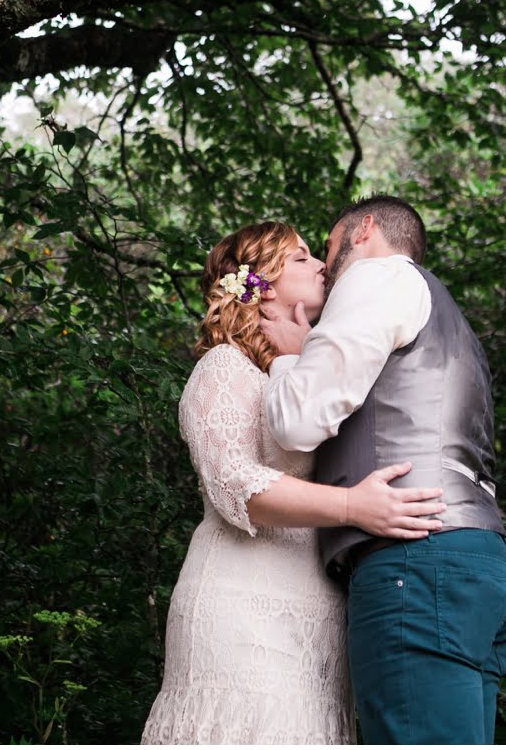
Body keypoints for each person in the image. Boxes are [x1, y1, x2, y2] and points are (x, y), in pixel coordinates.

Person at [141, 221, 448, 745]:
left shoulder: (311, 374)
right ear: (259, 280)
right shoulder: (223, 367)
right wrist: (353, 506)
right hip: (239, 605)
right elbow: (237, 484)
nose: (322, 265)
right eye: (302, 257)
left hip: (321, 613)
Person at [261, 196, 506, 745]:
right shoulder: (452, 323)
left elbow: (297, 421)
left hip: (416, 561)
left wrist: (290, 356)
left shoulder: (375, 276)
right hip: (481, 563)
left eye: (328, 248)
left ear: (365, 233)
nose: (326, 268)